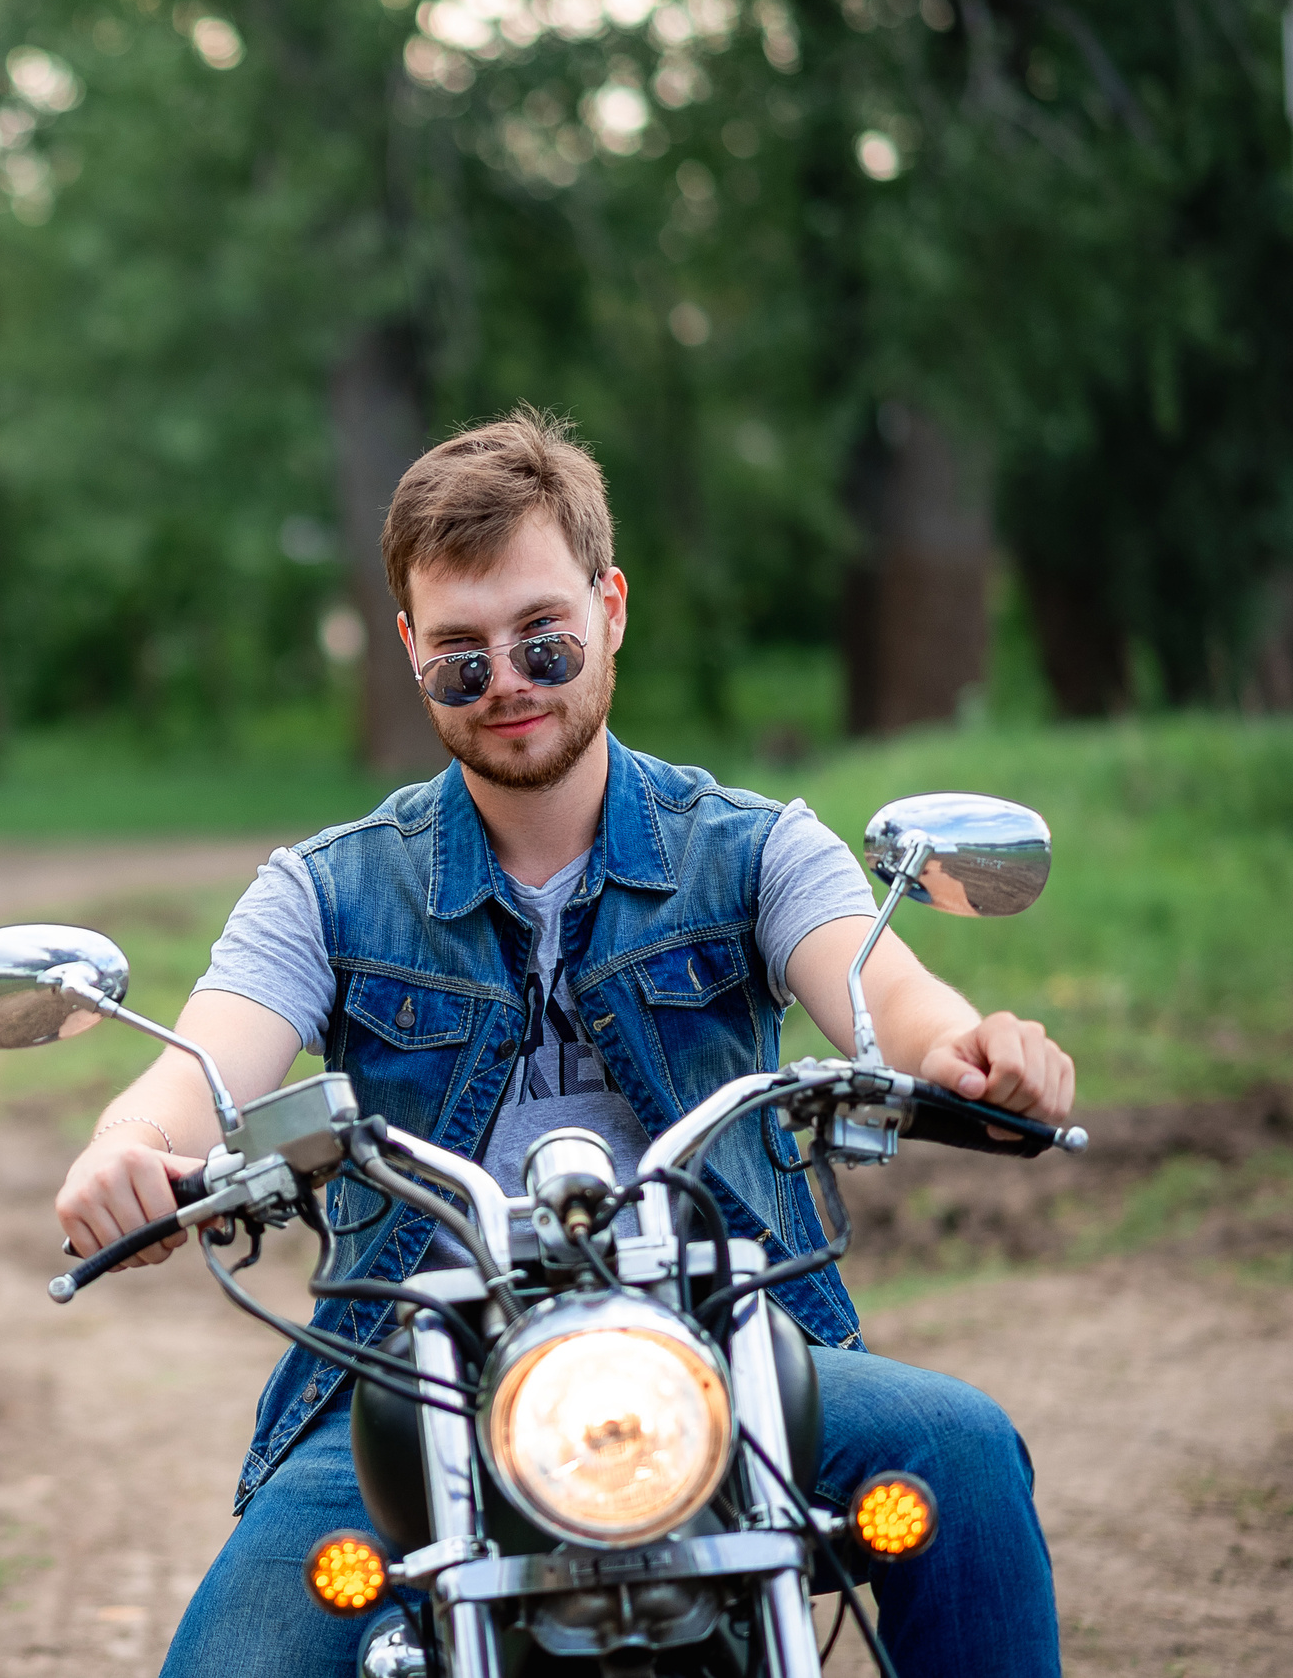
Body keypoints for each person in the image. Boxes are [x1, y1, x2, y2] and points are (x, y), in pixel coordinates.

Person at [56, 408, 1072, 1678]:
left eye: (541, 637)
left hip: (725, 1342)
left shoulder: (753, 847)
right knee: (235, 1660)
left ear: (610, 608)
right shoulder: (325, 891)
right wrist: (130, 1148)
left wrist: (976, 1055)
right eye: (459, 657)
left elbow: (891, 1000)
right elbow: (199, 1068)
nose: (508, 682)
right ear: (409, 649)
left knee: (961, 1455)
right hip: (417, 1379)